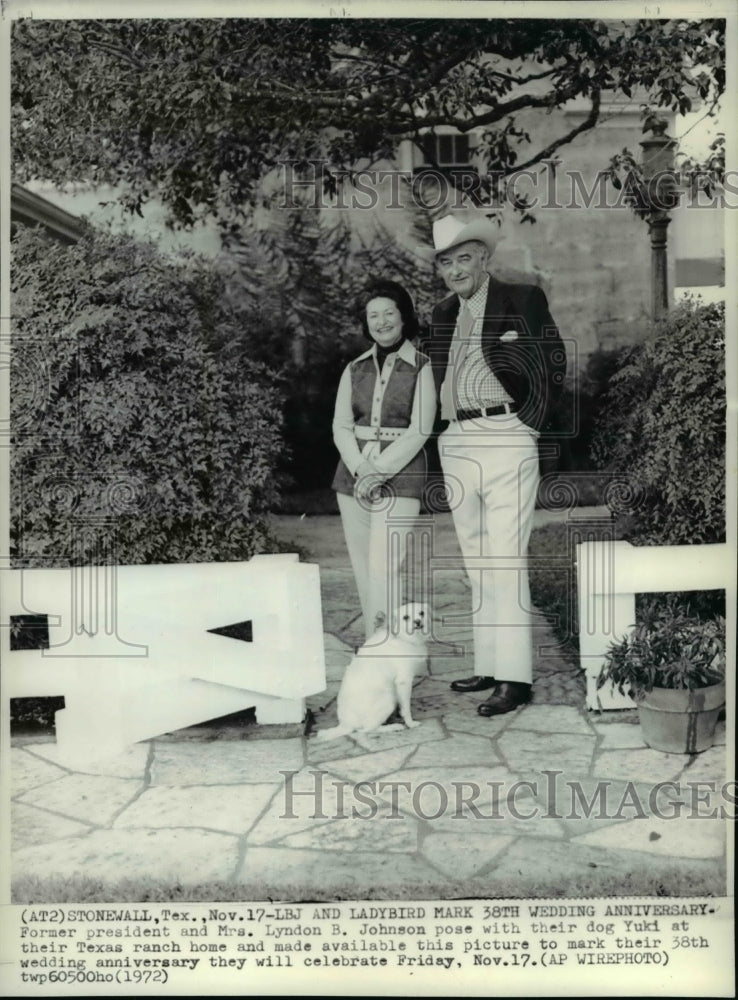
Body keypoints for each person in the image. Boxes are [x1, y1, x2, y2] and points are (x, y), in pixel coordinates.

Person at [418, 214, 566, 715]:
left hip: (506, 434)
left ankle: (516, 678)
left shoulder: (521, 299)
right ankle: (490, 663)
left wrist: (529, 425)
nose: (456, 270)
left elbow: (552, 364)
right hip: (457, 439)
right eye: (447, 263)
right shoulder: (441, 313)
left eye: (464, 258)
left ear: (484, 258)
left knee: (504, 558)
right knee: (478, 560)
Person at [331, 278, 436, 640]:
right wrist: (362, 468)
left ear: (403, 317)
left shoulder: (422, 367)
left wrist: (380, 471)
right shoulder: (354, 368)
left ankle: (390, 647)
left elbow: (420, 429)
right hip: (352, 477)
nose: (381, 321)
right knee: (362, 565)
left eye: (389, 313)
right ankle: (376, 643)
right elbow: (341, 426)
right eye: (373, 315)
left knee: (385, 564)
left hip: (402, 476)